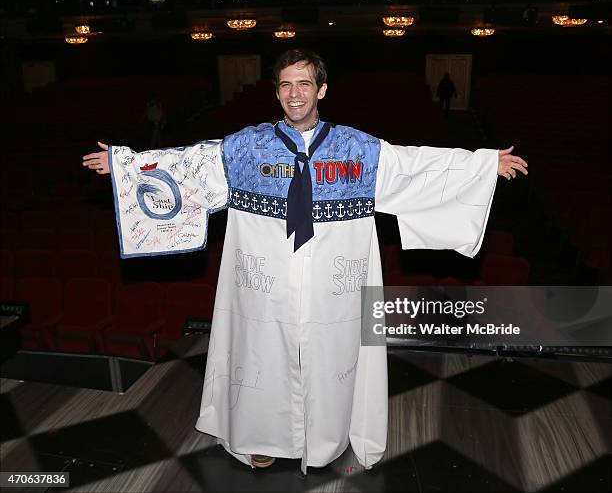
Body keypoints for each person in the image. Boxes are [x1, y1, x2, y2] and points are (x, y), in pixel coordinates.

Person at [83, 49, 528, 473]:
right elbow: (190, 166)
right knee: (263, 357)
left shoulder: (359, 149)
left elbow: (413, 168)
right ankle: (262, 440)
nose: (295, 93)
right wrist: (126, 165)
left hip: (333, 284)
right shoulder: (246, 148)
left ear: (322, 90)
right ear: (276, 93)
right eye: (285, 85)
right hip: (265, 283)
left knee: (332, 356)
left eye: (305, 84)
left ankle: (325, 438)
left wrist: (482, 167)